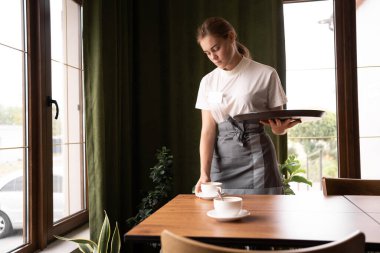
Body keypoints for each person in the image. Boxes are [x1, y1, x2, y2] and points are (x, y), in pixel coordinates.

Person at [194, 17, 300, 195]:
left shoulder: (266, 74)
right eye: (207, 53)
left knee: (263, 219)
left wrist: (280, 130)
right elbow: (207, 131)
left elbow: (277, 125)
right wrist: (204, 174)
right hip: (222, 164)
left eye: (216, 48)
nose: (213, 57)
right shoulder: (208, 81)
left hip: (258, 160)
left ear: (231, 37)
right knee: (221, 219)